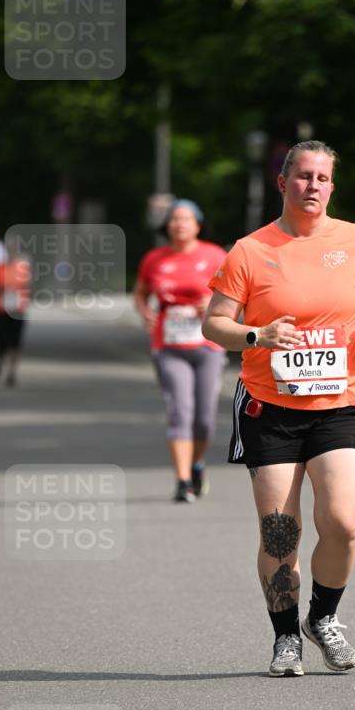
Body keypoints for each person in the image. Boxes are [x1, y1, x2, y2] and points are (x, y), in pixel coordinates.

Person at [203, 140, 355, 677]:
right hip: (271, 407)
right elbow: (214, 323)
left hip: (343, 401)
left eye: (323, 178)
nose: (314, 186)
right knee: (280, 533)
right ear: (283, 183)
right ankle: (286, 637)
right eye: (304, 176)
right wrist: (257, 335)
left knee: (342, 522)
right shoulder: (250, 251)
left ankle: (323, 618)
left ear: (332, 186)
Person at [134, 199, 228, 502]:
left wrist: (212, 304)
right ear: (167, 225)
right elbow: (140, 292)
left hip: (208, 345)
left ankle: (196, 464)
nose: (179, 224)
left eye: (186, 218)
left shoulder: (214, 255)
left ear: (198, 225)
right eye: (174, 218)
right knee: (180, 412)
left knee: (204, 419)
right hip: (169, 345)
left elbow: (234, 294)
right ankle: (183, 480)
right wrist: (144, 312)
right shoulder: (155, 259)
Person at [0, 240, 31, 386]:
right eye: (8, 250)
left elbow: (29, 286)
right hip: (0, 310)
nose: (10, 253)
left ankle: (11, 373)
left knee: (15, 343)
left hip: (17, 311)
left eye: (13, 250)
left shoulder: (23, 269)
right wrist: (1, 288)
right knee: (1, 341)